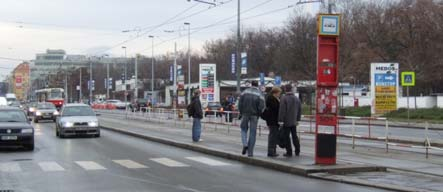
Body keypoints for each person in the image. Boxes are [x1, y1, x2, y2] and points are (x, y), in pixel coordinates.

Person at [238, 80, 265, 157]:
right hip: (254, 115)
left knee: (243, 129)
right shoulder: (260, 94)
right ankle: (250, 152)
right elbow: (262, 106)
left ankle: (245, 144)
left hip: (245, 114)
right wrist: (259, 114)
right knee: (253, 133)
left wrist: (241, 112)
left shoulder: (244, 92)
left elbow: (240, 103)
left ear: (251, 84)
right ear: (257, 85)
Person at [278, 84, 302, 157]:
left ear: (285, 89)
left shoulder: (284, 98)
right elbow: (299, 110)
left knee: (287, 137)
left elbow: (282, 111)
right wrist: (298, 119)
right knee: (295, 136)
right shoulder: (296, 98)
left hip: (286, 121)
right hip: (294, 121)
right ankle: (297, 150)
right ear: (291, 89)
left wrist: (280, 120)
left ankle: (289, 152)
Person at [264, 86, 282, 157]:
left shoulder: (274, 98)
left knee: (274, 135)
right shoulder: (271, 99)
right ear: (275, 93)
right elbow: (275, 109)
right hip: (272, 120)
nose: (279, 94)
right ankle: (271, 151)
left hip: (273, 120)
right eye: (279, 93)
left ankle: (273, 150)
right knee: (272, 136)